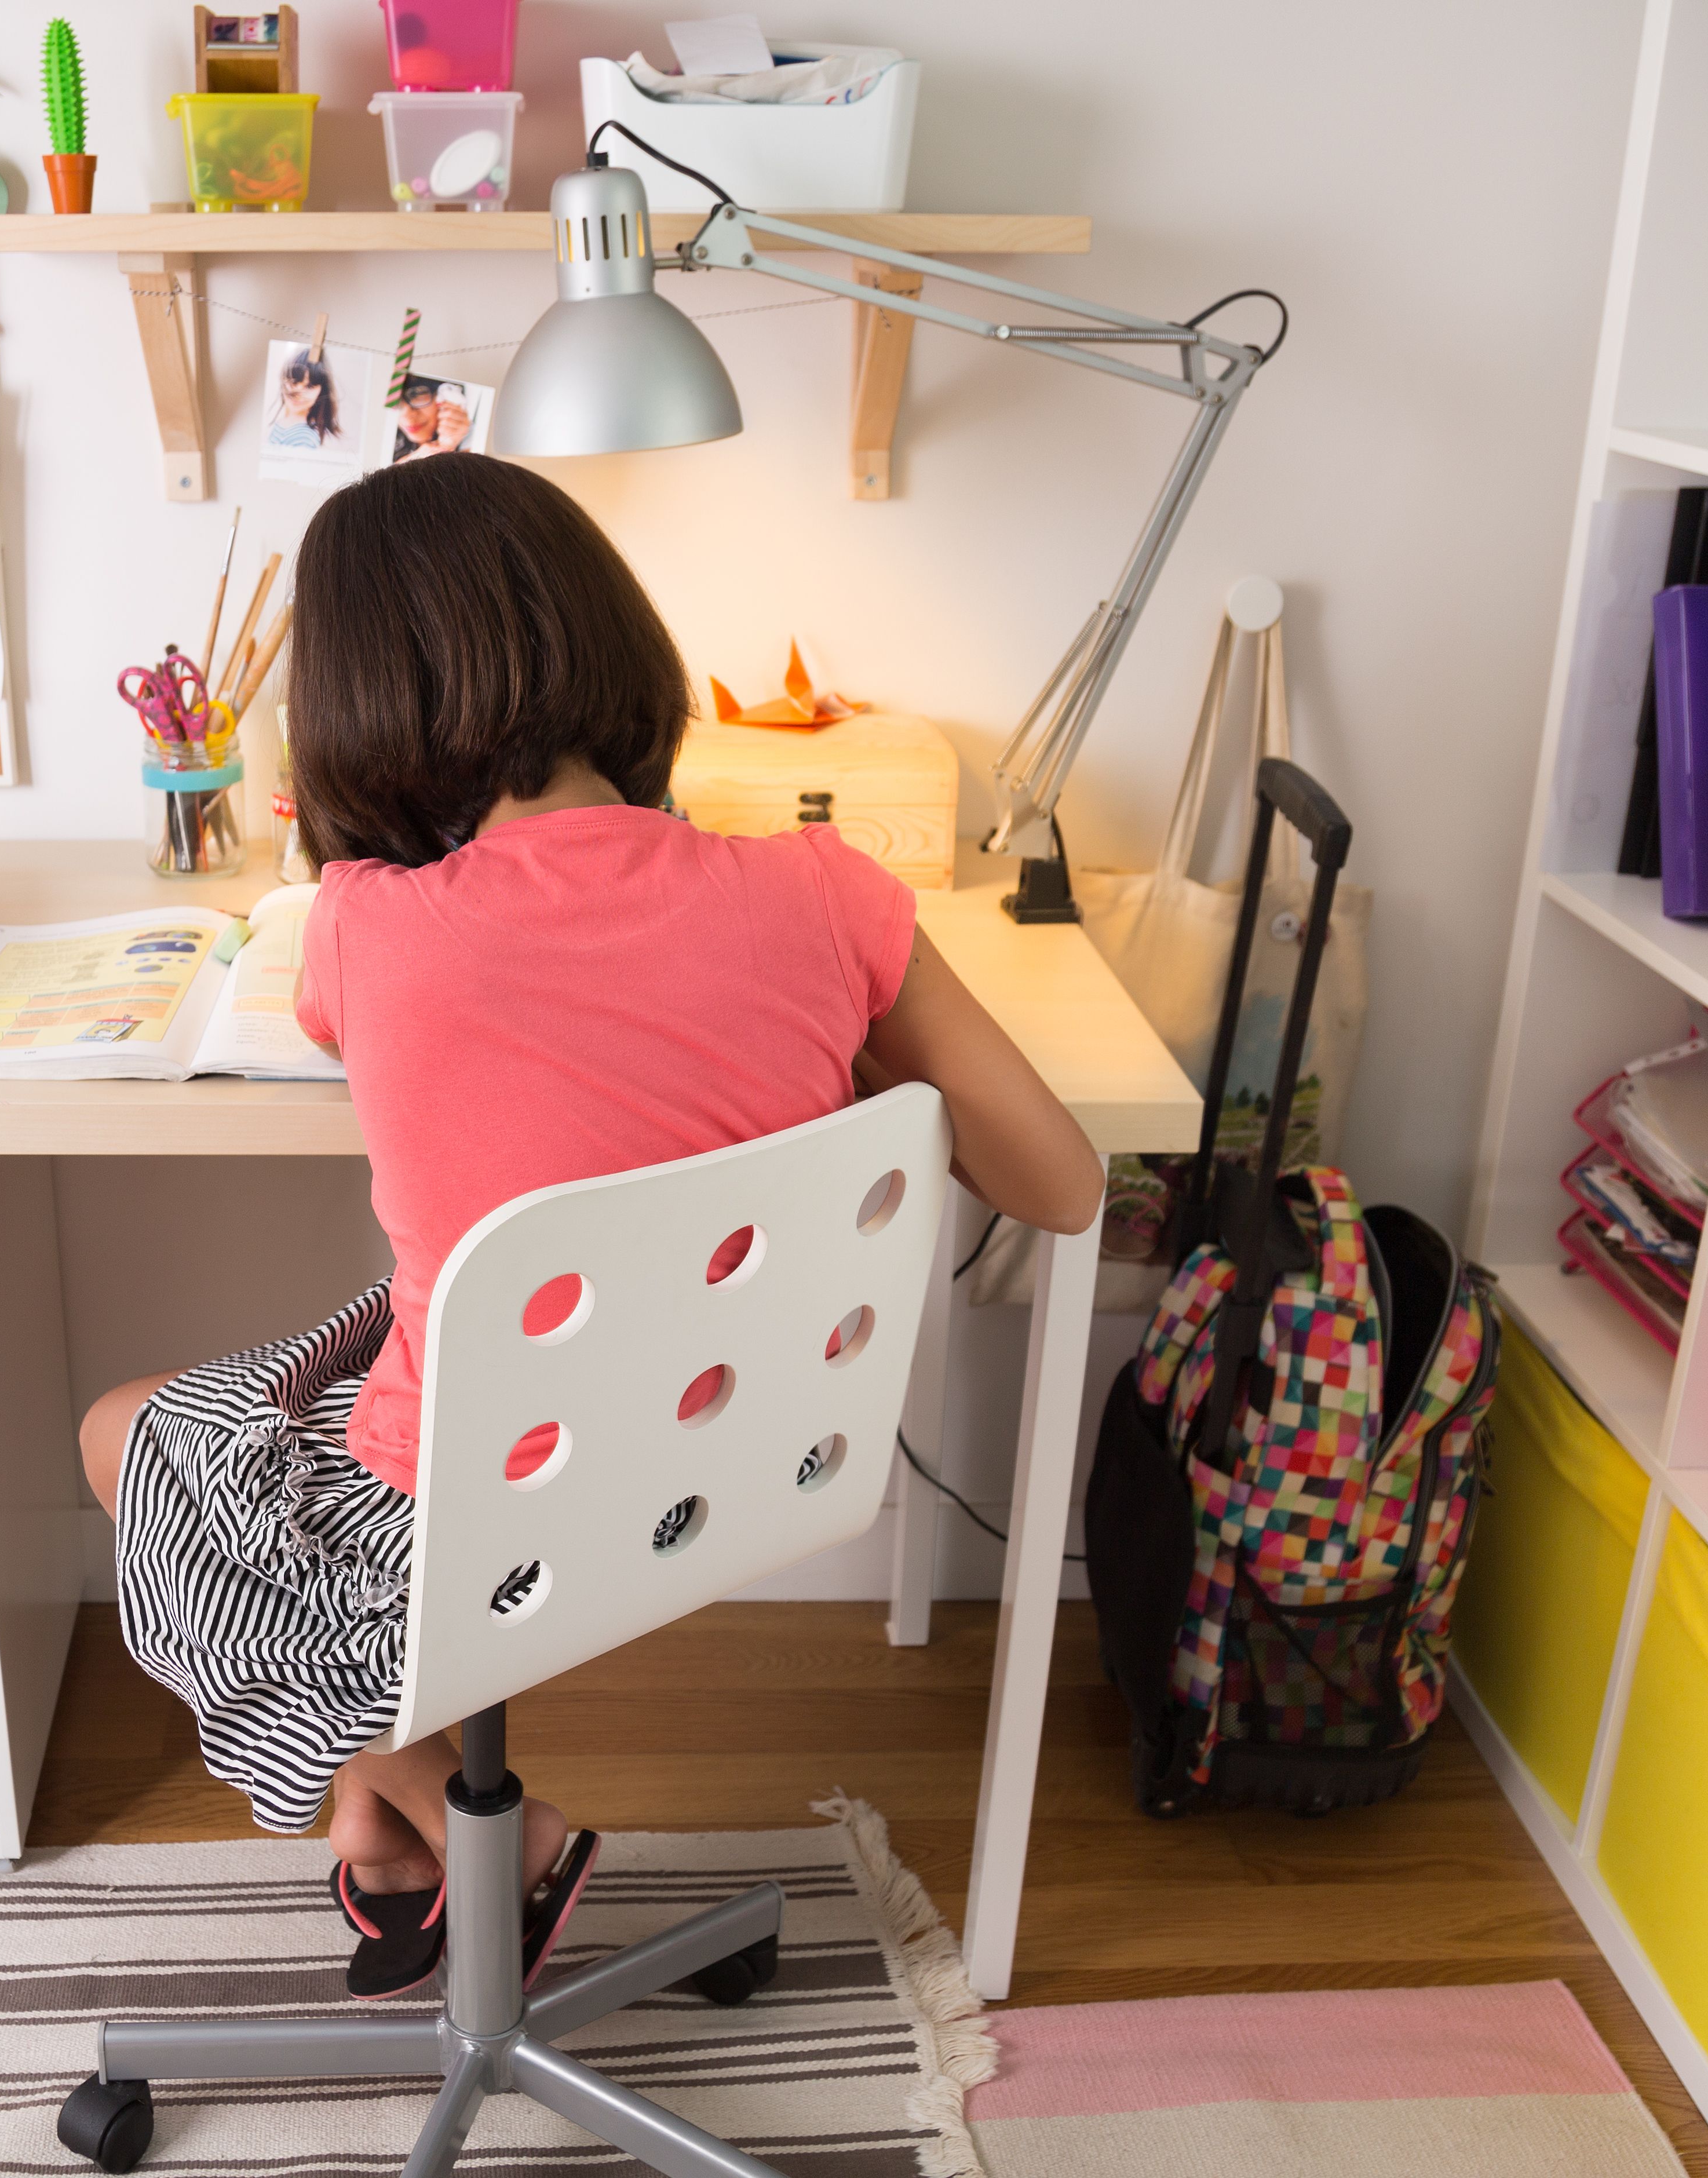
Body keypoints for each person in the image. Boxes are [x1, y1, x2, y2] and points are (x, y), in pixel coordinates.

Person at [75, 453, 1100, 1999]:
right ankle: (384, 1804)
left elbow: (383, 1022)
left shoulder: (363, 924)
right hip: (732, 1464)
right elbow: (1064, 1185)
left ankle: (477, 1823)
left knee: (127, 1432)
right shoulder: (829, 892)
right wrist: (846, 1042)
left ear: (356, 704)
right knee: (334, 1366)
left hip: (474, 1510)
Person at [267, 346, 340, 451]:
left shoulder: (306, 438)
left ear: (322, 391)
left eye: (309, 387)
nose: (298, 393)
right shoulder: (282, 421)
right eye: (294, 382)